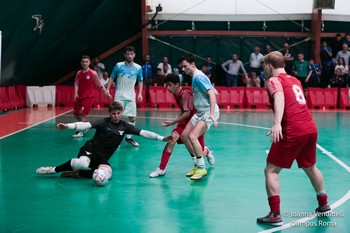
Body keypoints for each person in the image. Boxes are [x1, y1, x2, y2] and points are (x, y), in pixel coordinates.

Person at [257, 51, 330, 226]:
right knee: (310, 167)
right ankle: (324, 204)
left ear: (269, 66)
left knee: (271, 170)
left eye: (264, 66)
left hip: (293, 129)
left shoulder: (273, 80)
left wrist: (277, 123)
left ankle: (275, 214)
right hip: (309, 127)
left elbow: (280, 98)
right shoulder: (295, 80)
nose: (264, 70)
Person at [36, 102, 170, 185]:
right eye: (113, 114)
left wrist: (161, 138)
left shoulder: (125, 126)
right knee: (83, 163)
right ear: (109, 113)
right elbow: (85, 124)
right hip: (90, 149)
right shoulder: (103, 122)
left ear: (121, 113)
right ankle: (52, 170)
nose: (116, 116)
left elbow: (143, 133)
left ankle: (76, 174)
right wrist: (68, 126)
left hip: (102, 158)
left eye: (118, 113)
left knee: (104, 176)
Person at [149, 73, 215, 178]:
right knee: (173, 138)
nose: (168, 88)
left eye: (170, 85)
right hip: (185, 121)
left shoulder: (185, 93)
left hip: (197, 121)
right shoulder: (176, 93)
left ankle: (206, 152)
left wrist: (172, 122)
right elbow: (184, 111)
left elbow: (188, 113)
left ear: (176, 84)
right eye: (166, 85)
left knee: (199, 153)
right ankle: (161, 169)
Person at [178, 53, 220, 180]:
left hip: (207, 112)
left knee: (192, 136)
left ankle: (202, 168)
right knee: (184, 136)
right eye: (181, 68)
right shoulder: (197, 76)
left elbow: (212, 95)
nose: (183, 70)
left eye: (185, 66)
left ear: (193, 64)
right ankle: (197, 164)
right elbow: (215, 92)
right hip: (200, 111)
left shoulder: (198, 77)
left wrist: (211, 114)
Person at [106, 46, 143, 147]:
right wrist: (107, 89)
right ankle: (115, 137)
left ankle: (128, 138)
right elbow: (112, 77)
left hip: (131, 96)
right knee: (116, 116)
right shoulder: (118, 65)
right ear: (125, 55)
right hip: (119, 95)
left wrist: (140, 93)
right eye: (128, 54)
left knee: (132, 118)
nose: (130, 56)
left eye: (131, 54)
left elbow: (140, 81)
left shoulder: (138, 68)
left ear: (134, 55)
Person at [72, 55, 111, 138]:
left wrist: (106, 93)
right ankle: (86, 125)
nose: (84, 63)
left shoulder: (93, 73)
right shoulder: (79, 73)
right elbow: (76, 83)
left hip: (88, 97)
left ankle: (81, 131)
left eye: (86, 62)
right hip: (80, 97)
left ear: (89, 63)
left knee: (81, 114)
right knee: (75, 114)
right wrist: (75, 93)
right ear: (81, 63)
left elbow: (100, 84)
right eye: (83, 62)